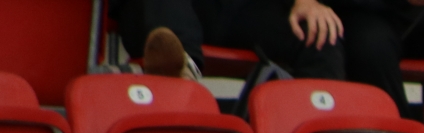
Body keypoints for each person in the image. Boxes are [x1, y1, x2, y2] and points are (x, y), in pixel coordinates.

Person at [111, 0, 347, 80]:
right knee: (171, 37)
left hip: (235, 9)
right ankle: (182, 72)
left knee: (319, 33)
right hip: (163, 10)